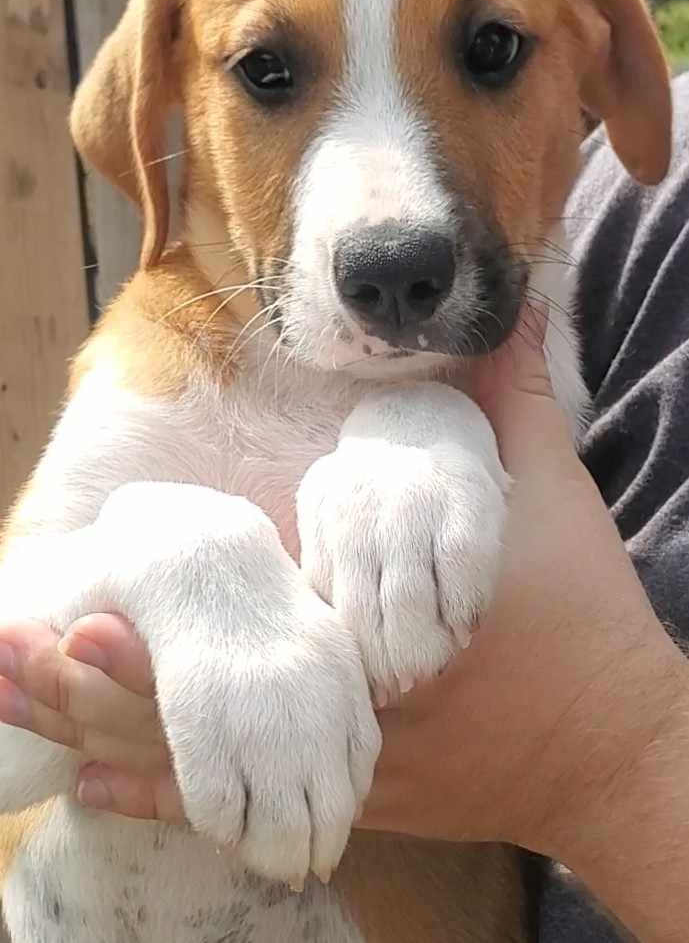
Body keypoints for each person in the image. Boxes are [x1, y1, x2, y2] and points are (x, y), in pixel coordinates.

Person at [3, 74, 689, 941]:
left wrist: (610, 762)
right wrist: (173, 548)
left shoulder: (485, 387)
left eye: (488, 52)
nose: (389, 203)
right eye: (269, 73)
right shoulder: (153, 372)